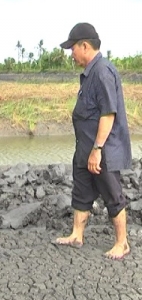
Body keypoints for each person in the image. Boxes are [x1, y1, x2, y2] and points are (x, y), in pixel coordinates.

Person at [55, 22, 132, 260]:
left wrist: (97, 149)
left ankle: (122, 243)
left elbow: (108, 114)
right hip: (85, 148)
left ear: (84, 45)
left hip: (103, 151)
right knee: (81, 192)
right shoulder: (89, 74)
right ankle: (77, 234)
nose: (71, 54)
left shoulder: (102, 72)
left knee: (112, 194)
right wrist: (88, 150)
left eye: (72, 48)